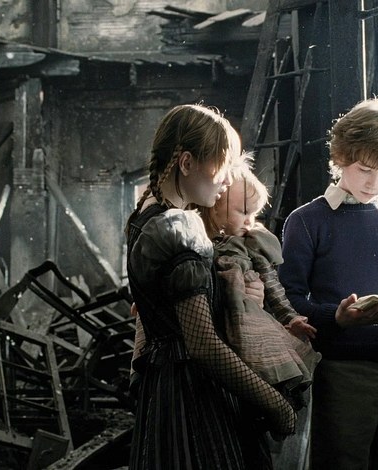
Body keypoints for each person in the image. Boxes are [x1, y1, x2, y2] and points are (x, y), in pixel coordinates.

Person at [125, 104, 296, 469]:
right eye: (222, 167)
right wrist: (275, 403)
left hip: (163, 393)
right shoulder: (178, 229)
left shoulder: (142, 218)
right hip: (195, 399)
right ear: (187, 163)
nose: (227, 182)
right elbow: (202, 345)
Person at [278, 97, 378, 470]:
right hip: (339, 368)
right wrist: (336, 317)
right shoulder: (307, 221)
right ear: (341, 156)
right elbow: (285, 299)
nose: (374, 183)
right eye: (365, 169)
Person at [199, 158, 320, 410]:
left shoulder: (251, 245)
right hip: (213, 335)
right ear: (214, 206)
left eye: (254, 214)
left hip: (248, 326)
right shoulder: (199, 245)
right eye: (243, 212)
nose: (249, 221)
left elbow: (273, 287)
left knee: (261, 375)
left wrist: (290, 317)